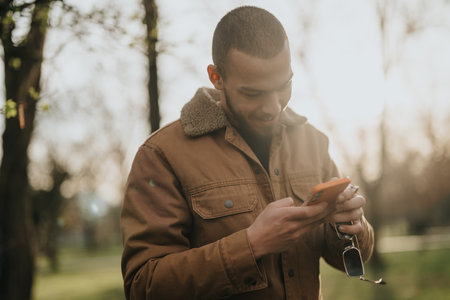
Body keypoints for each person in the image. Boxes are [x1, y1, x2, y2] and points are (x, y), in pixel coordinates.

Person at [121, 5, 374, 300]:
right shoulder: (161, 155)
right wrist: (251, 244)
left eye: (283, 86)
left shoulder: (312, 141)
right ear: (216, 77)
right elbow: (143, 287)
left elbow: (353, 256)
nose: (274, 107)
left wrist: (351, 224)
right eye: (253, 93)